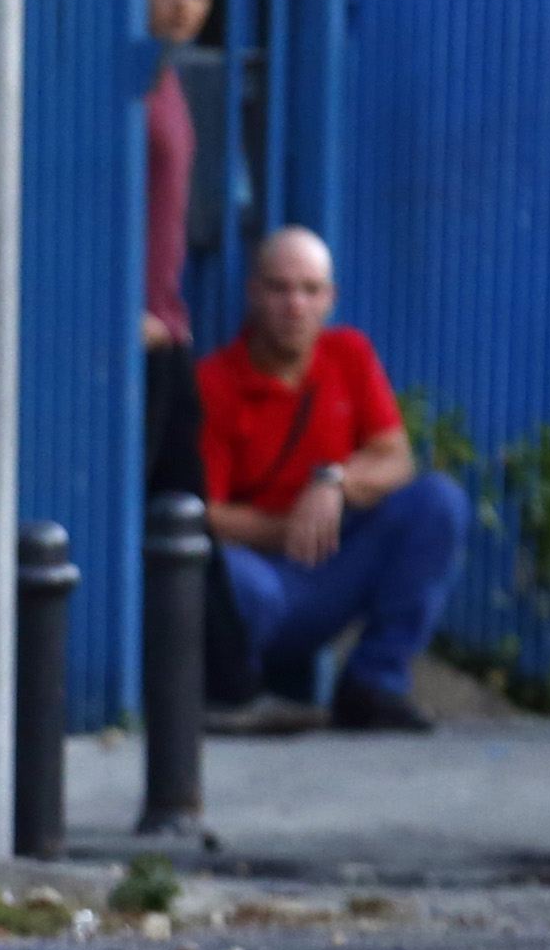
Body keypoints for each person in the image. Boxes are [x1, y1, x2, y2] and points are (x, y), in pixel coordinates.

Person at [199, 227, 470, 733]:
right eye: (279, 288)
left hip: (337, 565)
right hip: (263, 578)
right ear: (253, 293)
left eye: (310, 290)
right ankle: (241, 693)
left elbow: (397, 458)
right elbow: (205, 515)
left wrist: (334, 483)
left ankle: (374, 682)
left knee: (439, 502)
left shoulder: (349, 355)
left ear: (330, 299)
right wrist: (290, 527)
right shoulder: (213, 383)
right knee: (228, 579)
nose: (294, 305)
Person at [142, 0, 212, 501]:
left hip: (170, 324)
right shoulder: (131, 81)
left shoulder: (169, 77)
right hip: (138, 329)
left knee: (181, 509)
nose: (184, 5)